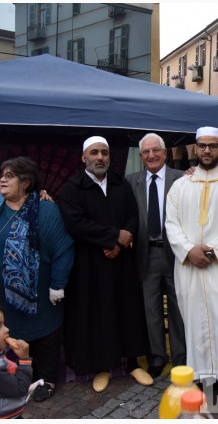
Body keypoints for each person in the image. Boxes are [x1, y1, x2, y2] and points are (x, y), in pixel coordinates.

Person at [165, 126, 218, 418]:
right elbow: (171, 223)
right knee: (196, 325)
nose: (206, 151)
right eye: (201, 146)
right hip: (190, 269)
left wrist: (212, 251)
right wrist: (189, 250)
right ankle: (202, 384)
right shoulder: (181, 185)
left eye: (212, 146)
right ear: (195, 148)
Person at [0, 156, 74, 402]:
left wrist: (57, 285)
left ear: (25, 182)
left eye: (10, 176)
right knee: (15, 336)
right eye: (1, 175)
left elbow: (63, 249)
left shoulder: (45, 208)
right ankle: (25, 375)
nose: (2, 180)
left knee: (45, 335)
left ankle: (47, 379)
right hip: (1, 293)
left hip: (39, 293)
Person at [59, 135, 152, 392]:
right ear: (84, 158)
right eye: (94, 153)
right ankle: (102, 367)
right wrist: (112, 238)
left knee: (128, 310)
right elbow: (75, 222)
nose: (100, 157)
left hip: (122, 261)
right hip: (91, 264)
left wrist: (120, 244)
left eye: (104, 153)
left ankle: (133, 362)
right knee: (98, 314)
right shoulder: (72, 188)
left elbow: (133, 216)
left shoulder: (121, 184)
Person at [125, 133, 186, 378]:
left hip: (176, 254)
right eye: (146, 152)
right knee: (150, 310)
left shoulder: (182, 178)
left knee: (178, 309)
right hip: (145, 253)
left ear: (165, 152)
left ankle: (181, 358)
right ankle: (157, 357)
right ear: (140, 156)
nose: (151, 155)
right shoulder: (130, 182)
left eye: (156, 150)